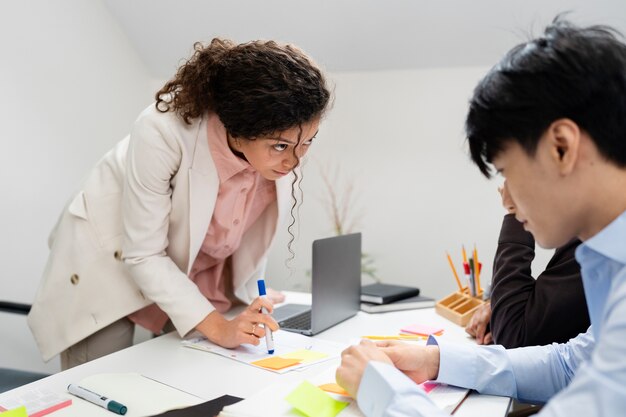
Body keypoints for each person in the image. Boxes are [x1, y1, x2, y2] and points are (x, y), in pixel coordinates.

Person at [336, 17, 626, 416]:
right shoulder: (607, 256)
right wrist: (437, 361)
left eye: (506, 170)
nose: (505, 197)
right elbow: (575, 364)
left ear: (561, 146)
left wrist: (380, 388)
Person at [27, 38, 331, 369]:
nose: (295, 160)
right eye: (281, 146)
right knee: (98, 381)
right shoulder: (163, 131)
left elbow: (237, 226)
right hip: (108, 258)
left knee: (192, 373)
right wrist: (219, 327)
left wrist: (247, 289)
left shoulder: (279, 139)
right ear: (238, 130)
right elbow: (144, 253)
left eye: (308, 142)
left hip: (183, 267)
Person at [465, 181, 589, 347]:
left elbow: (514, 338)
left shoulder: (595, 240)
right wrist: (503, 309)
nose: (505, 199)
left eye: (510, 171)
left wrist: (516, 213)